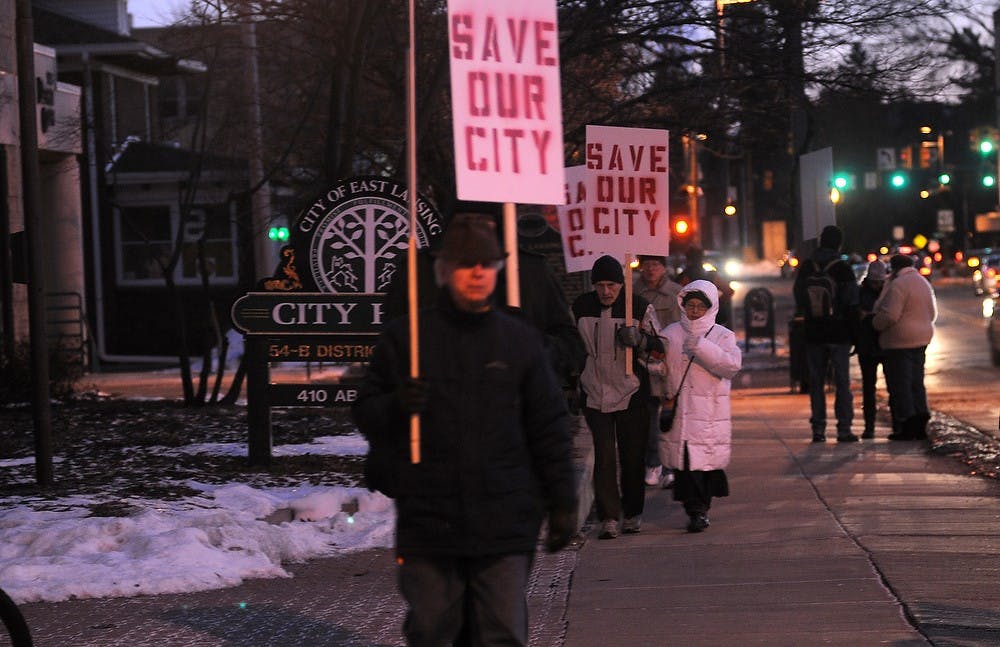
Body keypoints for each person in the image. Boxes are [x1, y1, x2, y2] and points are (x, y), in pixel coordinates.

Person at [352, 214, 578, 646]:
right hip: (430, 519)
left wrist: (562, 500)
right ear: (443, 270)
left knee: (501, 634)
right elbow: (366, 411)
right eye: (466, 263)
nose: (477, 273)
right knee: (433, 630)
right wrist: (397, 405)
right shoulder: (408, 339)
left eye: (486, 264)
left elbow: (547, 427)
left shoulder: (519, 342)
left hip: (506, 519)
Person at [383, 201, 586, 405]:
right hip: (439, 412)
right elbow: (391, 346)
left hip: (516, 414)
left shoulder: (530, 271)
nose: (474, 232)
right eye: (465, 223)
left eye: (483, 223)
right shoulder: (417, 271)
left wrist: (532, 346)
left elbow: (571, 347)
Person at [573, 254, 663, 539]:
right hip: (594, 391)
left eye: (611, 285)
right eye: (600, 285)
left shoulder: (637, 306)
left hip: (631, 392)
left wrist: (641, 340)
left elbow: (661, 347)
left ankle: (632, 512)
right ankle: (608, 515)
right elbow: (570, 344)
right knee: (604, 456)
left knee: (632, 456)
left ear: (620, 285)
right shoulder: (580, 307)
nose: (606, 291)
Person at [658, 280, 742, 532]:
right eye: (690, 305)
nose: (694, 311)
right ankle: (694, 511)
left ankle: (701, 510)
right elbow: (661, 368)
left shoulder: (723, 335)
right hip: (681, 414)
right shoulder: (671, 332)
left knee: (704, 468)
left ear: (711, 308)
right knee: (685, 468)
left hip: (709, 416)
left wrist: (701, 347)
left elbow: (730, 367)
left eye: (700, 307)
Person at [792, 225, 860, 443]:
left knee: (816, 382)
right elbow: (852, 303)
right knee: (841, 382)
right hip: (839, 333)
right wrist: (855, 335)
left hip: (813, 332)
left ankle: (818, 429)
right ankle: (844, 428)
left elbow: (798, 296)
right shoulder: (843, 268)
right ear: (838, 243)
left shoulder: (807, 267)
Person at [872, 254, 937, 441]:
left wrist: (875, 323)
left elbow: (890, 315)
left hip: (899, 341)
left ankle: (908, 421)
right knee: (917, 381)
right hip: (922, 338)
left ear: (893, 268)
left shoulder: (898, 285)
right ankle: (921, 413)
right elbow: (932, 313)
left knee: (902, 383)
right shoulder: (923, 282)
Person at [633, 255, 681, 489]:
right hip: (645, 364)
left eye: (656, 265)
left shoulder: (676, 292)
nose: (651, 269)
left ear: (664, 268)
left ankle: (670, 467)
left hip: (671, 363)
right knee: (650, 417)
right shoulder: (633, 291)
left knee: (670, 419)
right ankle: (653, 463)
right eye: (647, 265)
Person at [856, 260, 888, 439]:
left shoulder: (888, 290)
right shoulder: (861, 293)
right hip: (867, 345)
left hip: (884, 344)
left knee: (893, 385)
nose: (878, 285)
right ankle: (869, 426)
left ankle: (898, 424)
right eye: (875, 282)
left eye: (880, 282)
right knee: (868, 388)